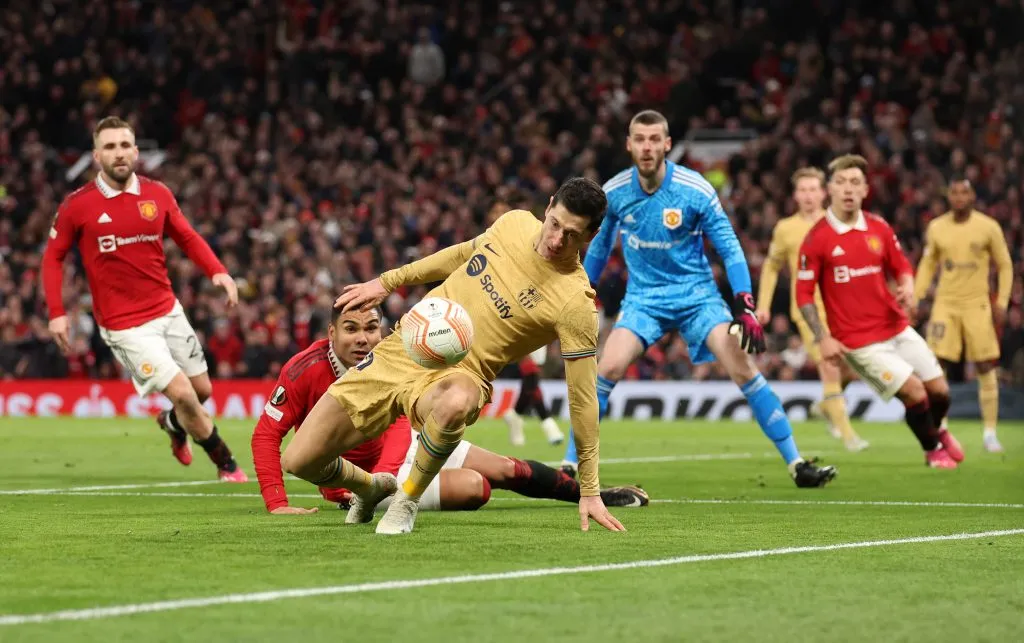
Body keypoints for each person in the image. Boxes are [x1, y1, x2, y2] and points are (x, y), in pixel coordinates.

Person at [281, 177, 626, 534]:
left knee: (458, 400)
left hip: (460, 374)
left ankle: (406, 500)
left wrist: (589, 489)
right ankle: (370, 489)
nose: (557, 240)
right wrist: (388, 281)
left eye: (572, 235)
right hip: (403, 349)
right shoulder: (514, 222)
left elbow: (583, 399)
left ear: (591, 235)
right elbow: (463, 253)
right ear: (549, 205)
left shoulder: (576, 303)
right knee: (299, 460)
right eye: (555, 224)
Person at [560, 110, 835, 488]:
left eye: (655, 139)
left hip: (698, 298)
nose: (647, 146)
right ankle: (569, 465)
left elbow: (730, 248)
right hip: (644, 300)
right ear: (629, 144)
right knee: (606, 370)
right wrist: (582, 292)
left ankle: (797, 463)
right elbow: (600, 248)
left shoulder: (696, 189)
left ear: (668, 144)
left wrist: (745, 304)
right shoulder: (616, 192)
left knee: (741, 368)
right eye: (640, 139)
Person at [252, 306, 649, 515]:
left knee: (506, 468)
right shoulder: (304, 369)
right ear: (331, 333)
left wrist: (396, 473)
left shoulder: (392, 356)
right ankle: (375, 499)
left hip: (400, 453)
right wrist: (278, 503)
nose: (363, 338)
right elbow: (266, 434)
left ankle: (595, 495)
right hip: (359, 483)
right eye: (351, 328)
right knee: (478, 487)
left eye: (371, 328)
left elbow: (399, 421)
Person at [42, 116, 247, 481]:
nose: (118, 154)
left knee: (201, 392)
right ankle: (226, 463)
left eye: (124, 146)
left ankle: (171, 422)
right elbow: (53, 257)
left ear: (136, 152)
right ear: (96, 155)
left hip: (168, 311)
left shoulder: (157, 194)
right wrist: (57, 312)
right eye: (110, 147)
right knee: (183, 392)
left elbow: (186, 236)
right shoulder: (77, 205)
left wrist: (217, 271)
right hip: (124, 327)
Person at [796, 154, 964, 468]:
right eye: (841, 182)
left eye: (855, 182)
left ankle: (936, 429)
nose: (848, 189)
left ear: (865, 190)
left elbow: (902, 268)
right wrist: (823, 338)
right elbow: (803, 295)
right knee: (915, 393)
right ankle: (932, 450)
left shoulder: (879, 228)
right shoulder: (816, 238)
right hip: (858, 340)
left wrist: (907, 288)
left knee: (940, 393)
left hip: (896, 326)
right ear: (829, 188)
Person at [756, 167, 868, 451]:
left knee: (853, 367)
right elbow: (771, 266)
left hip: (843, 306)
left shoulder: (840, 222)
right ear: (795, 195)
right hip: (807, 309)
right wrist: (763, 305)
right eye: (802, 190)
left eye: (812, 189)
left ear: (823, 192)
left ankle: (825, 406)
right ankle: (847, 434)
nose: (807, 195)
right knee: (829, 364)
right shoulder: (785, 228)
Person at [914, 177, 1014, 453]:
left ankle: (990, 433)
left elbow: (1005, 265)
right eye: (954, 193)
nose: (959, 198)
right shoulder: (937, 227)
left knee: (984, 366)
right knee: (936, 367)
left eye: (964, 193)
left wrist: (1002, 302)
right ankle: (941, 431)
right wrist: (916, 296)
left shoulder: (987, 227)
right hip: (945, 304)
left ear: (972, 196)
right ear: (948, 197)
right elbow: (927, 264)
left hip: (976, 304)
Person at [501, 353, 566, 446]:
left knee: (529, 387)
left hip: (538, 350)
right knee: (532, 383)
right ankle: (550, 427)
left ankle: (514, 416)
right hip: (527, 348)